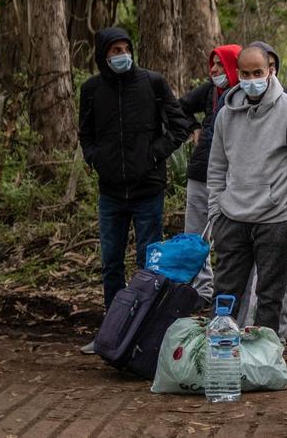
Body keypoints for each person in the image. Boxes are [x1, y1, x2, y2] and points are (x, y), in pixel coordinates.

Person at [78, 27, 191, 354]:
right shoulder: (92, 89)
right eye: (114, 51)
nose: (121, 56)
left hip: (147, 190)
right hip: (110, 192)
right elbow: (85, 134)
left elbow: (180, 125)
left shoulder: (152, 82)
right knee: (111, 263)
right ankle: (111, 334)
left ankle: (142, 334)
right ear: (102, 55)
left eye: (125, 48)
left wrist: (153, 154)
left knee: (148, 263)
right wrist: (95, 158)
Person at [206, 46, 287, 334]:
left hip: (275, 220)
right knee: (224, 295)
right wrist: (216, 212)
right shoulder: (226, 115)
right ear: (237, 74)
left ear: (270, 71)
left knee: (270, 298)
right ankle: (219, 358)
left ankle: (265, 359)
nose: (252, 79)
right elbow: (217, 166)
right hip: (232, 218)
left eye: (258, 72)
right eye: (246, 73)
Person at [178, 44, 242, 301]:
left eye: (220, 64)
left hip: (232, 178)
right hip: (200, 171)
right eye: (212, 64)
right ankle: (200, 290)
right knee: (195, 235)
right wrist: (194, 127)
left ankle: (229, 291)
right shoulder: (210, 91)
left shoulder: (245, 96)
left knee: (228, 237)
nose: (214, 69)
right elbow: (180, 106)